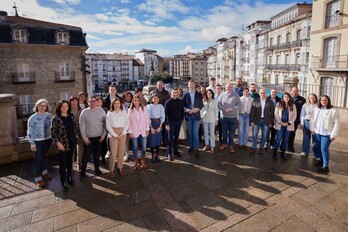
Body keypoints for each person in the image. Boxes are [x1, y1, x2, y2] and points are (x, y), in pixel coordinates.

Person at [51, 100, 79, 192]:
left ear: (68, 107)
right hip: (62, 144)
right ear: (59, 107)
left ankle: (69, 177)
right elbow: (53, 132)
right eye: (62, 106)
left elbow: (76, 126)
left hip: (72, 142)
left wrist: (76, 135)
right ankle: (63, 181)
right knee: (62, 164)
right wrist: (58, 143)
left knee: (70, 161)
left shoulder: (71, 116)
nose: (64, 108)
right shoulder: (56, 118)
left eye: (66, 106)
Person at [311, 95, 340, 174]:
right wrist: (312, 129)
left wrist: (333, 134)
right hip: (317, 132)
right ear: (320, 101)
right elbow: (313, 119)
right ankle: (321, 161)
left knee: (324, 148)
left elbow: (337, 123)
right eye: (322, 100)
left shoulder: (333, 110)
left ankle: (325, 166)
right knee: (318, 147)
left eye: (325, 100)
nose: (323, 102)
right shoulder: (317, 109)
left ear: (328, 101)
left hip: (327, 133)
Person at [79, 96, 107, 179]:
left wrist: (103, 135)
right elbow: (82, 126)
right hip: (88, 139)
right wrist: (84, 138)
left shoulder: (101, 111)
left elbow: (105, 124)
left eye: (94, 101)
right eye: (91, 101)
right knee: (86, 156)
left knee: (96, 155)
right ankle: (83, 173)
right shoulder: (84, 112)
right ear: (88, 102)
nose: (93, 103)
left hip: (99, 137)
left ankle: (97, 169)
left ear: (97, 102)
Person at [27, 99, 53, 187]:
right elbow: (30, 131)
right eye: (41, 105)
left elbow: (51, 127)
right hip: (38, 141)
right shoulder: (32, 118)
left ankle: (44, 172)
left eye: (44, 105)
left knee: (44, 157)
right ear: (37, 106)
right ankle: (38, 178)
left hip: (47, 139)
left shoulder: (49, 116)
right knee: (38, 160)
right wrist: (32, 143)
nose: (43, 107)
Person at [106, 98, 129, 177]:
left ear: (120, 104)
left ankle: (120, 168)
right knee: (113, 153)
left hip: (122, 133)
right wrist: (115, 135)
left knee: (121, 152)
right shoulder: (110, 113)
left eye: (118, 103)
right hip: (113, 133)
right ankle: (111, 170)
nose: (117, 105)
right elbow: (108, 126)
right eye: (115, 103)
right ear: (113, 104)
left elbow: (127, 123)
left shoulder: (123, 112)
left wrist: (123, 133)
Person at [249, 88, 275, 155]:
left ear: (266, 94)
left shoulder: (270, 102)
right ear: (259, 94)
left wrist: (271, 122)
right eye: (261, 93)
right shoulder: (255, 101)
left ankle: (261, 148)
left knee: (264, 135)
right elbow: (252, 112)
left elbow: (272, 113)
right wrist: (251, 121)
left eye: (263, 93)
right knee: (254, 135)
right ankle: (253, 147)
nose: (262, 94)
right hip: (256, 120)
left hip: (266, 121)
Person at [183, 80, 204, 158]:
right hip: (189, 116)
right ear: (188, 85)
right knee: (190, 133)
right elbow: (183, 106)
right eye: (189, 84)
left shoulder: (199, 94)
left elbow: (201, 105)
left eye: (192, 84)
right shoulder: (186, 95)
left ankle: (196, 149)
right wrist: (188, 110)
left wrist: (197, 109)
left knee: (195, 133)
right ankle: (191, 146)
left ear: (194, 85)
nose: (191, 85)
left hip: (196, 116)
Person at [273, 92, 297, 160]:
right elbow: (276, 114)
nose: (286, 98)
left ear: (289, 98)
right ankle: (275, 151)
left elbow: (294, 115)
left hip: (288, 125)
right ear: (283, 98)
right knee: (279, 138)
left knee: (286, 139)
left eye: (287, 97)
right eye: (285, 97)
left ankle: (283, 151)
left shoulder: (293, 105)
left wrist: (289, 123)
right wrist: (280, 122)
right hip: (280, 124)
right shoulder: (279, 104)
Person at [218, 83, 241, 153]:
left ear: (232, 88)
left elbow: (239, 105)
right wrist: (224, 109)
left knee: (231, 133)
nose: (229, 89)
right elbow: (218, 104)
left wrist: (232, 109)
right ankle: (224, 143)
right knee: (224, 132)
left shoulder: (236, 95)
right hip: (224, 117)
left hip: (233, 117)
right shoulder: (222, 95)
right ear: (225, 88)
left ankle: (231, 145)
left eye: (230, 88)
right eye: (227, 88)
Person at [128, 96, 150, 169]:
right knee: (135, 147)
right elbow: (129, 122)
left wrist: (147, 129)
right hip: (134, 131)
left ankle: (142, 159)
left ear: (140, 101)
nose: (136, 102)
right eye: (135, 101)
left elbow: (147, 119)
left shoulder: (144, 109)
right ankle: (136, 160)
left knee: (144, 147)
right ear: (133, 102)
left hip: (143, 130)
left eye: (137, 100)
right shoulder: (130, 110)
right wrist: (130, 131)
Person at [165, 88, 184, 161]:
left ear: (178, 94)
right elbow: (165, 114)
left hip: (178, 121)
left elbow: (182, 111)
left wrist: (182, 119)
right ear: (171, 93)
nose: (175, 94)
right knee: (170, 138)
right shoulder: (168, 102)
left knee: (176, 137)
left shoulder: (180, 101)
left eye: (176, 93)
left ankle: (176, 151)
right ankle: (169, 152)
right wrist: (166, 124)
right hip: (170, 122)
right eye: (173, 93)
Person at [149, 81, 170, 146]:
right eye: (159, 85)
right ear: (156, 85)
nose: (160, 86)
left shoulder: (166, 93)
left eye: (161, 85)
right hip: (155, 113)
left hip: (164, 111)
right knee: (155, 128)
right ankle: (156, 142)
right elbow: (150, 102)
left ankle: (164, 140)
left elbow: (168, 102)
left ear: (163, 85)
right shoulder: (153, 93)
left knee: (164, 128)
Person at [147, 94, 165, 163]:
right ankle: (152, 155)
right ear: (152, 99)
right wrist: (151, 127)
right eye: (154, 98)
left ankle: (157, 154)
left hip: (158, 123)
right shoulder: (149, 106)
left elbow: (162, 116)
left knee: (158, 140)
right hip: (151, 123)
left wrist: (160, 126)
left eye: (157, 98)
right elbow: (147, 117)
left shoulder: (161, 106)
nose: (156, 99)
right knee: (152, 141)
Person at [287, 86, 306, 152]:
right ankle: (285, 144)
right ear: (291, 91)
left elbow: (304, 110)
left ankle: (290, 145)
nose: (294, 92)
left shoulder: (302, 99)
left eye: (296, 91)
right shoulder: (288, 98)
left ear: (298, 91)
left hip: (296, 119)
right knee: (287, 132)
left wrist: (302, 121)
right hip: (288, 118)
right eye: (293, 91)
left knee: (292, 132)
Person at [201, 89, 219, 155]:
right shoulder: (203, 101)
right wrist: (201, 118)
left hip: (212, 118)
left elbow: (216, 111)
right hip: (205, 118)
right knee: (205, 133)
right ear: (206, 94)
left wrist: (216, 119)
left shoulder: (214, 101)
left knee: (212, 133)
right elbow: (202, 110)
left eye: (210, 93)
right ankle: (206, 145)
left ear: (212, 94)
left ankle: (212, 147)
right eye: (208, 93)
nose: (209, 94)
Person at [69, 96, 83, 172]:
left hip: (80, 132)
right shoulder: (67, 111)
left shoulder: (81, 110)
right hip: (71, 133)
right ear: (70, 102)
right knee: (71, 150)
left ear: (78, 102)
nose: (74, 102)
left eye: (75, 101)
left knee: (80, 148)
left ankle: (79, 163)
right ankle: (70, 165)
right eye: (72, 101)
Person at [122, 91, 134, 161]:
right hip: (125, 125)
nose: (128, 98)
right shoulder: (122, 105)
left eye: (130, 96)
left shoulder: (134, 104)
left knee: (133, 141)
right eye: (127, 96)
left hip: (133, 125)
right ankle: (126, 154)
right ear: (124, 97)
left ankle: (133, 154)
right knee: (125, 141)